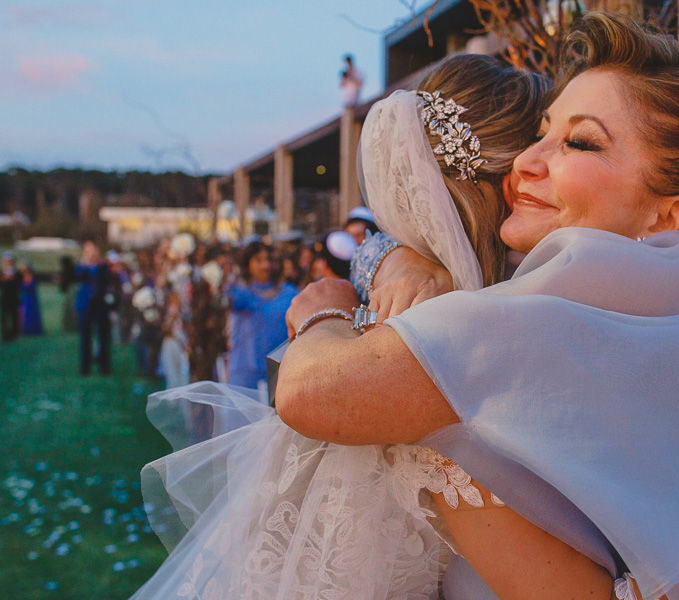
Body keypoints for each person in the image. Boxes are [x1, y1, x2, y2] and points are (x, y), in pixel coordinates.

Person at [277, 14, 679, 600]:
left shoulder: (520, 323)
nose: (527, 160)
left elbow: (308, 393)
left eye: (580, 142)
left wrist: (322, 313)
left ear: (668, 215)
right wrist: (391, 256)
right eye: (542, 132)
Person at [132, 53, 551, 600]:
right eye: (547, 145)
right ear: (508, 179)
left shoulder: (493, 299)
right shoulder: (434, 315)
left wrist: (364, 273)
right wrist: (377, 265)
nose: (551, 164)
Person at [227, 241, 298, 392]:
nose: (266, 265)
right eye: (259, 260)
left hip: (282, 367)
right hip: (247, 370)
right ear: (247, 264)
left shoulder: (290, 292)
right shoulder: (239, 292)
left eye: (269, 260)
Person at [75, 241, 113, 375]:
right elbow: (78, 276)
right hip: (86, 304)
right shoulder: (82, 266)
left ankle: (104, 366)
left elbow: (107, 280)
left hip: (100, 304)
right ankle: (85, 367)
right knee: (85, 336)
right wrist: (85, 262)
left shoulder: (102, 265)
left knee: (103, 335)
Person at [0, 251, 22, 342]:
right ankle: (6, 334)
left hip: (13, 297)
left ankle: (14, 334)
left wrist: (12, 279)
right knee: (4, 316)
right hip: (5, 297)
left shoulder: (17, 272)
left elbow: (19, 283)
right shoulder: (2, 272)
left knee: (14, 316)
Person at [19, 261, 43, 336]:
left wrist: (22, 287)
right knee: (24, 313)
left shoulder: (31, 276)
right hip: (25, 297)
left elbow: (31, 286)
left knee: (30, 312)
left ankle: (32, 329)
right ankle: (25, 329)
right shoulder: (22, 276)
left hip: (30, 298)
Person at [59, 256, 79, 333]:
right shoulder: (73, 268)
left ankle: (72, 326)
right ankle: (73, 326)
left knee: (71, 308)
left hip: (71, 289)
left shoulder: (68, 270)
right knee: (72, 308)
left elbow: (65, 281)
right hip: (73, 289)